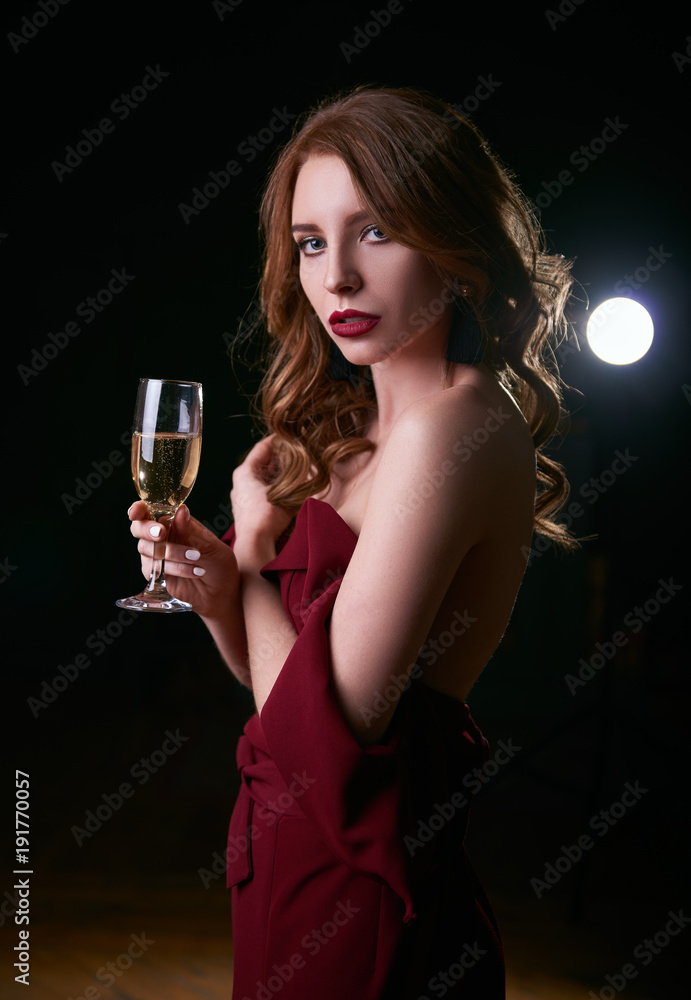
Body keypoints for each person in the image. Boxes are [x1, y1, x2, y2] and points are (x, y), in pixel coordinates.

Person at [126, 86, 576, 998]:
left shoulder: (457, 423)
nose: (334, 278)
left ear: (454, 247)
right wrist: (223, 583)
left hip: (367, 892)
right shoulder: (356, 439)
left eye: (375, 232)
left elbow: (343, 730)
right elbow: (280, 694)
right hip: (289, 866)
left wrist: (245, 563)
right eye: (311, 243)